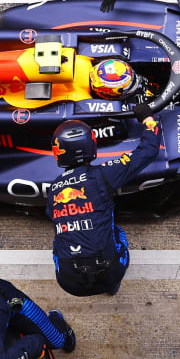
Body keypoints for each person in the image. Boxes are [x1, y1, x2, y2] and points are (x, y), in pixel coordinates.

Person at [48, 117, 163, 296]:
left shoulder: (54, 188)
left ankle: (101, 282)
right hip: (110, 272)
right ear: (90, 145)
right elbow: (148, 150)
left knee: (58, 239)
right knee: (118, 232)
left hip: (68, 283)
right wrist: (149, 119)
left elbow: (51, 215)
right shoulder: (103, 175)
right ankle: (111, 286)